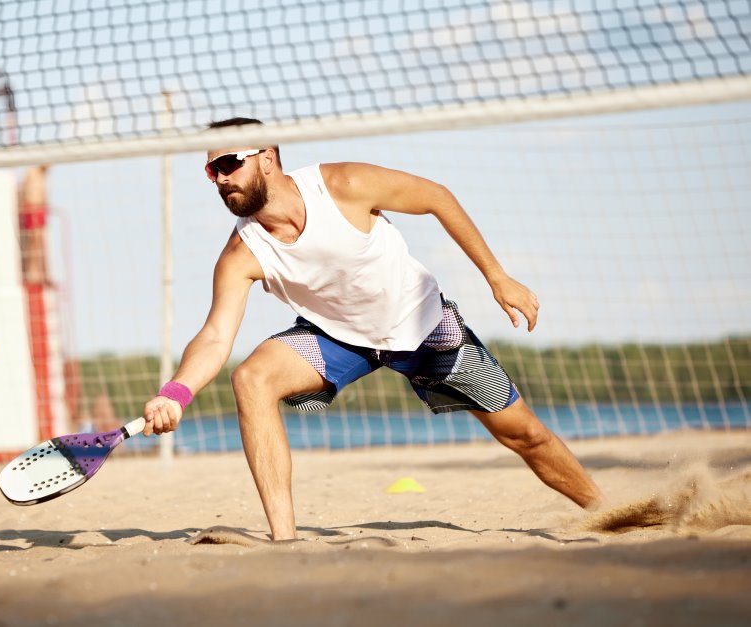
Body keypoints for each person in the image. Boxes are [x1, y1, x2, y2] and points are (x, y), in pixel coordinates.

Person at [143, 117, 604, 541]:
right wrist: (176, 393)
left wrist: (497, 277)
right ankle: (284, 540)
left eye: (228, 164)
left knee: (523, 434)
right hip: (338, 339)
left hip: (424, 328)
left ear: (267, 158)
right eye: (211, 172)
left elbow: (437, 197)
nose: (221, 179)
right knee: (251, 378)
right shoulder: (242, 252)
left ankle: (608, 511)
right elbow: (216, 336)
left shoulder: (343, 185)